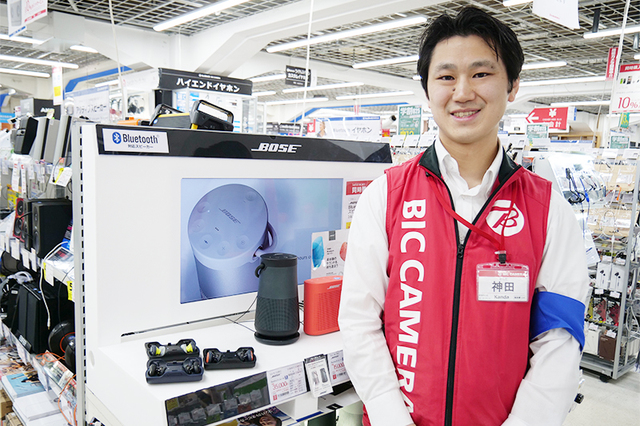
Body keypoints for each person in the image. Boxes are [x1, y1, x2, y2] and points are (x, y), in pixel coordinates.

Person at [338, 6, 589, 426]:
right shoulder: (386, 196)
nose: (462, 92)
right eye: (446, 77)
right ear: (427, 89)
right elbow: (359, 321)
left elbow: (559, 337)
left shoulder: (548, 211)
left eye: (481, 73)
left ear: (512, 85)